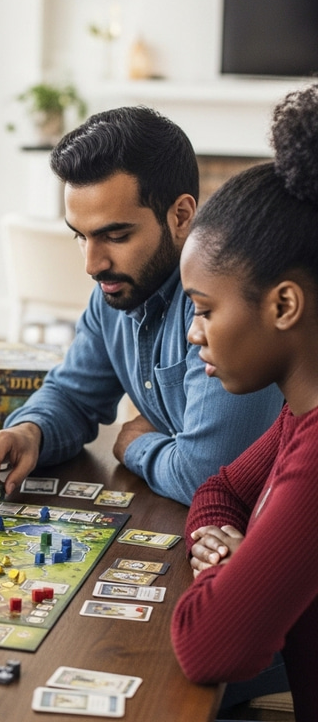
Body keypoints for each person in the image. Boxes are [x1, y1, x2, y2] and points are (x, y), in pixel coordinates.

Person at [0, 106, 283, 505]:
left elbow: (208, 475)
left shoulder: (230, 306)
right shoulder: (116, 290)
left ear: (181, 216)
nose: (91, 265)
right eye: (80, 236)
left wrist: (137, 444)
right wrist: (30, 432)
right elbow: (73, 395)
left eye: (115, 236)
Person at [172, 85, 318, 720]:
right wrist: (226, 542)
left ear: (283, 305)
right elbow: (216, 491)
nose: (193, 332)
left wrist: (231, 576)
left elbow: (209, 645)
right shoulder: (298, 410)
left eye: (205, 309)